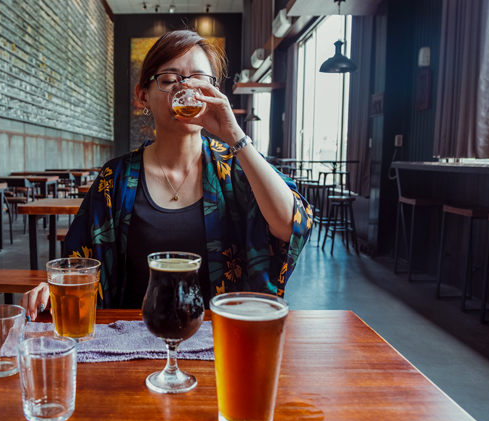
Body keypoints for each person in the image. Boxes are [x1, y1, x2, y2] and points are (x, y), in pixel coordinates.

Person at [21, 29, 312, 320]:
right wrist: (54, 286)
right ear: (143, 96)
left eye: (198, 80)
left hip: (220, 341)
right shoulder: (117, 177)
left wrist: (234, 136)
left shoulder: (236, 167)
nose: (184, 89)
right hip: (129, 339)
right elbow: (81, 261)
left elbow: (291, 225)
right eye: (170, 80)